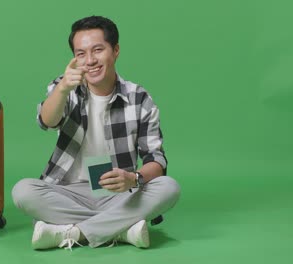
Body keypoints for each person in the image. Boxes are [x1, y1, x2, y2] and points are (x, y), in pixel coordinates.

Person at [12, 15, 180, 250]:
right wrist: (62, 89)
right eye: (81, 54)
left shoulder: (138, 98)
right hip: (69, 191)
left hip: (119, 192)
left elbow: (156, 159)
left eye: (98, 50)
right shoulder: (65, 87)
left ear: (116, 50)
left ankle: (72, 233)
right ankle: (121, 230)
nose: (90, 60)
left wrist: (134, 179)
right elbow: (46, 121)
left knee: (168, 187)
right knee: (23, 191)